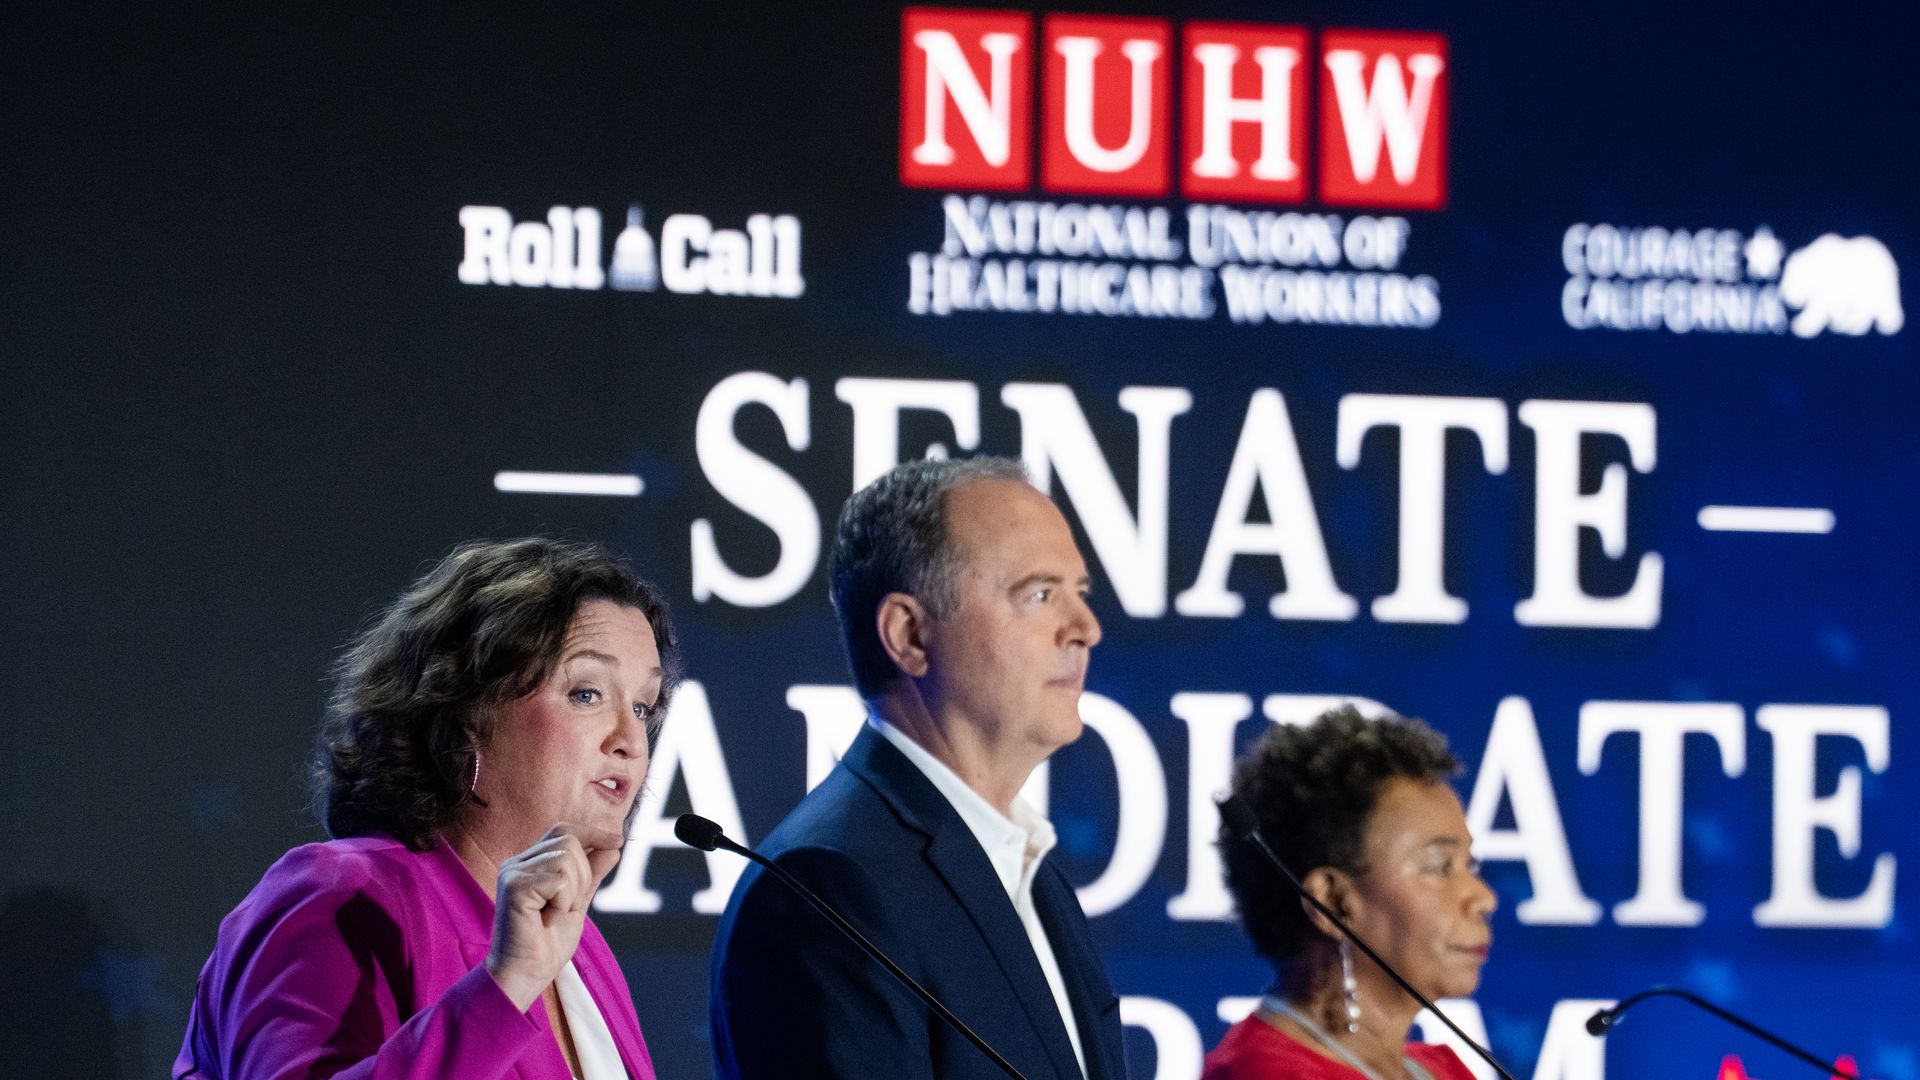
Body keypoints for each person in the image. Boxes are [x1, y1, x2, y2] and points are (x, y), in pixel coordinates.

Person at [176, 537, 678, 1080]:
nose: (631, 739)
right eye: (586, 693)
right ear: (467, 711)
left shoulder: (586, 953)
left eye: (642, 706)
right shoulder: (337, 895)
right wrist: (504, 986)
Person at [709, 456, 1127, 1080]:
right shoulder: (828, 887)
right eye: (1039, 594)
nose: (1086, 628)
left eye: (1081, 593)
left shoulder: (1030, 870)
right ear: (908, 634)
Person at [1203, 706, 1497, 1080]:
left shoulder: (1443, 1070)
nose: (1483, 897)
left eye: (1468, 866)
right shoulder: (1265, 1074)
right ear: (1332, 903)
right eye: (1440, 867)